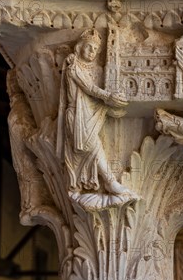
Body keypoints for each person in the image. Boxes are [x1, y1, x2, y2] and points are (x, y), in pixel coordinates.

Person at [57, 29, 138, 206]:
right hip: (77, 117)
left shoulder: (86, 68)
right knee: (92, 147)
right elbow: (89, 88)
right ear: (78, 48)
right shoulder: (73, 67)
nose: (92, 52)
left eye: (95, 49)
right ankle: (109, 182)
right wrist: (108, 97)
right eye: (89, 47)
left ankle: (103, 183)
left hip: (85, 114)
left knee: (92, 148)